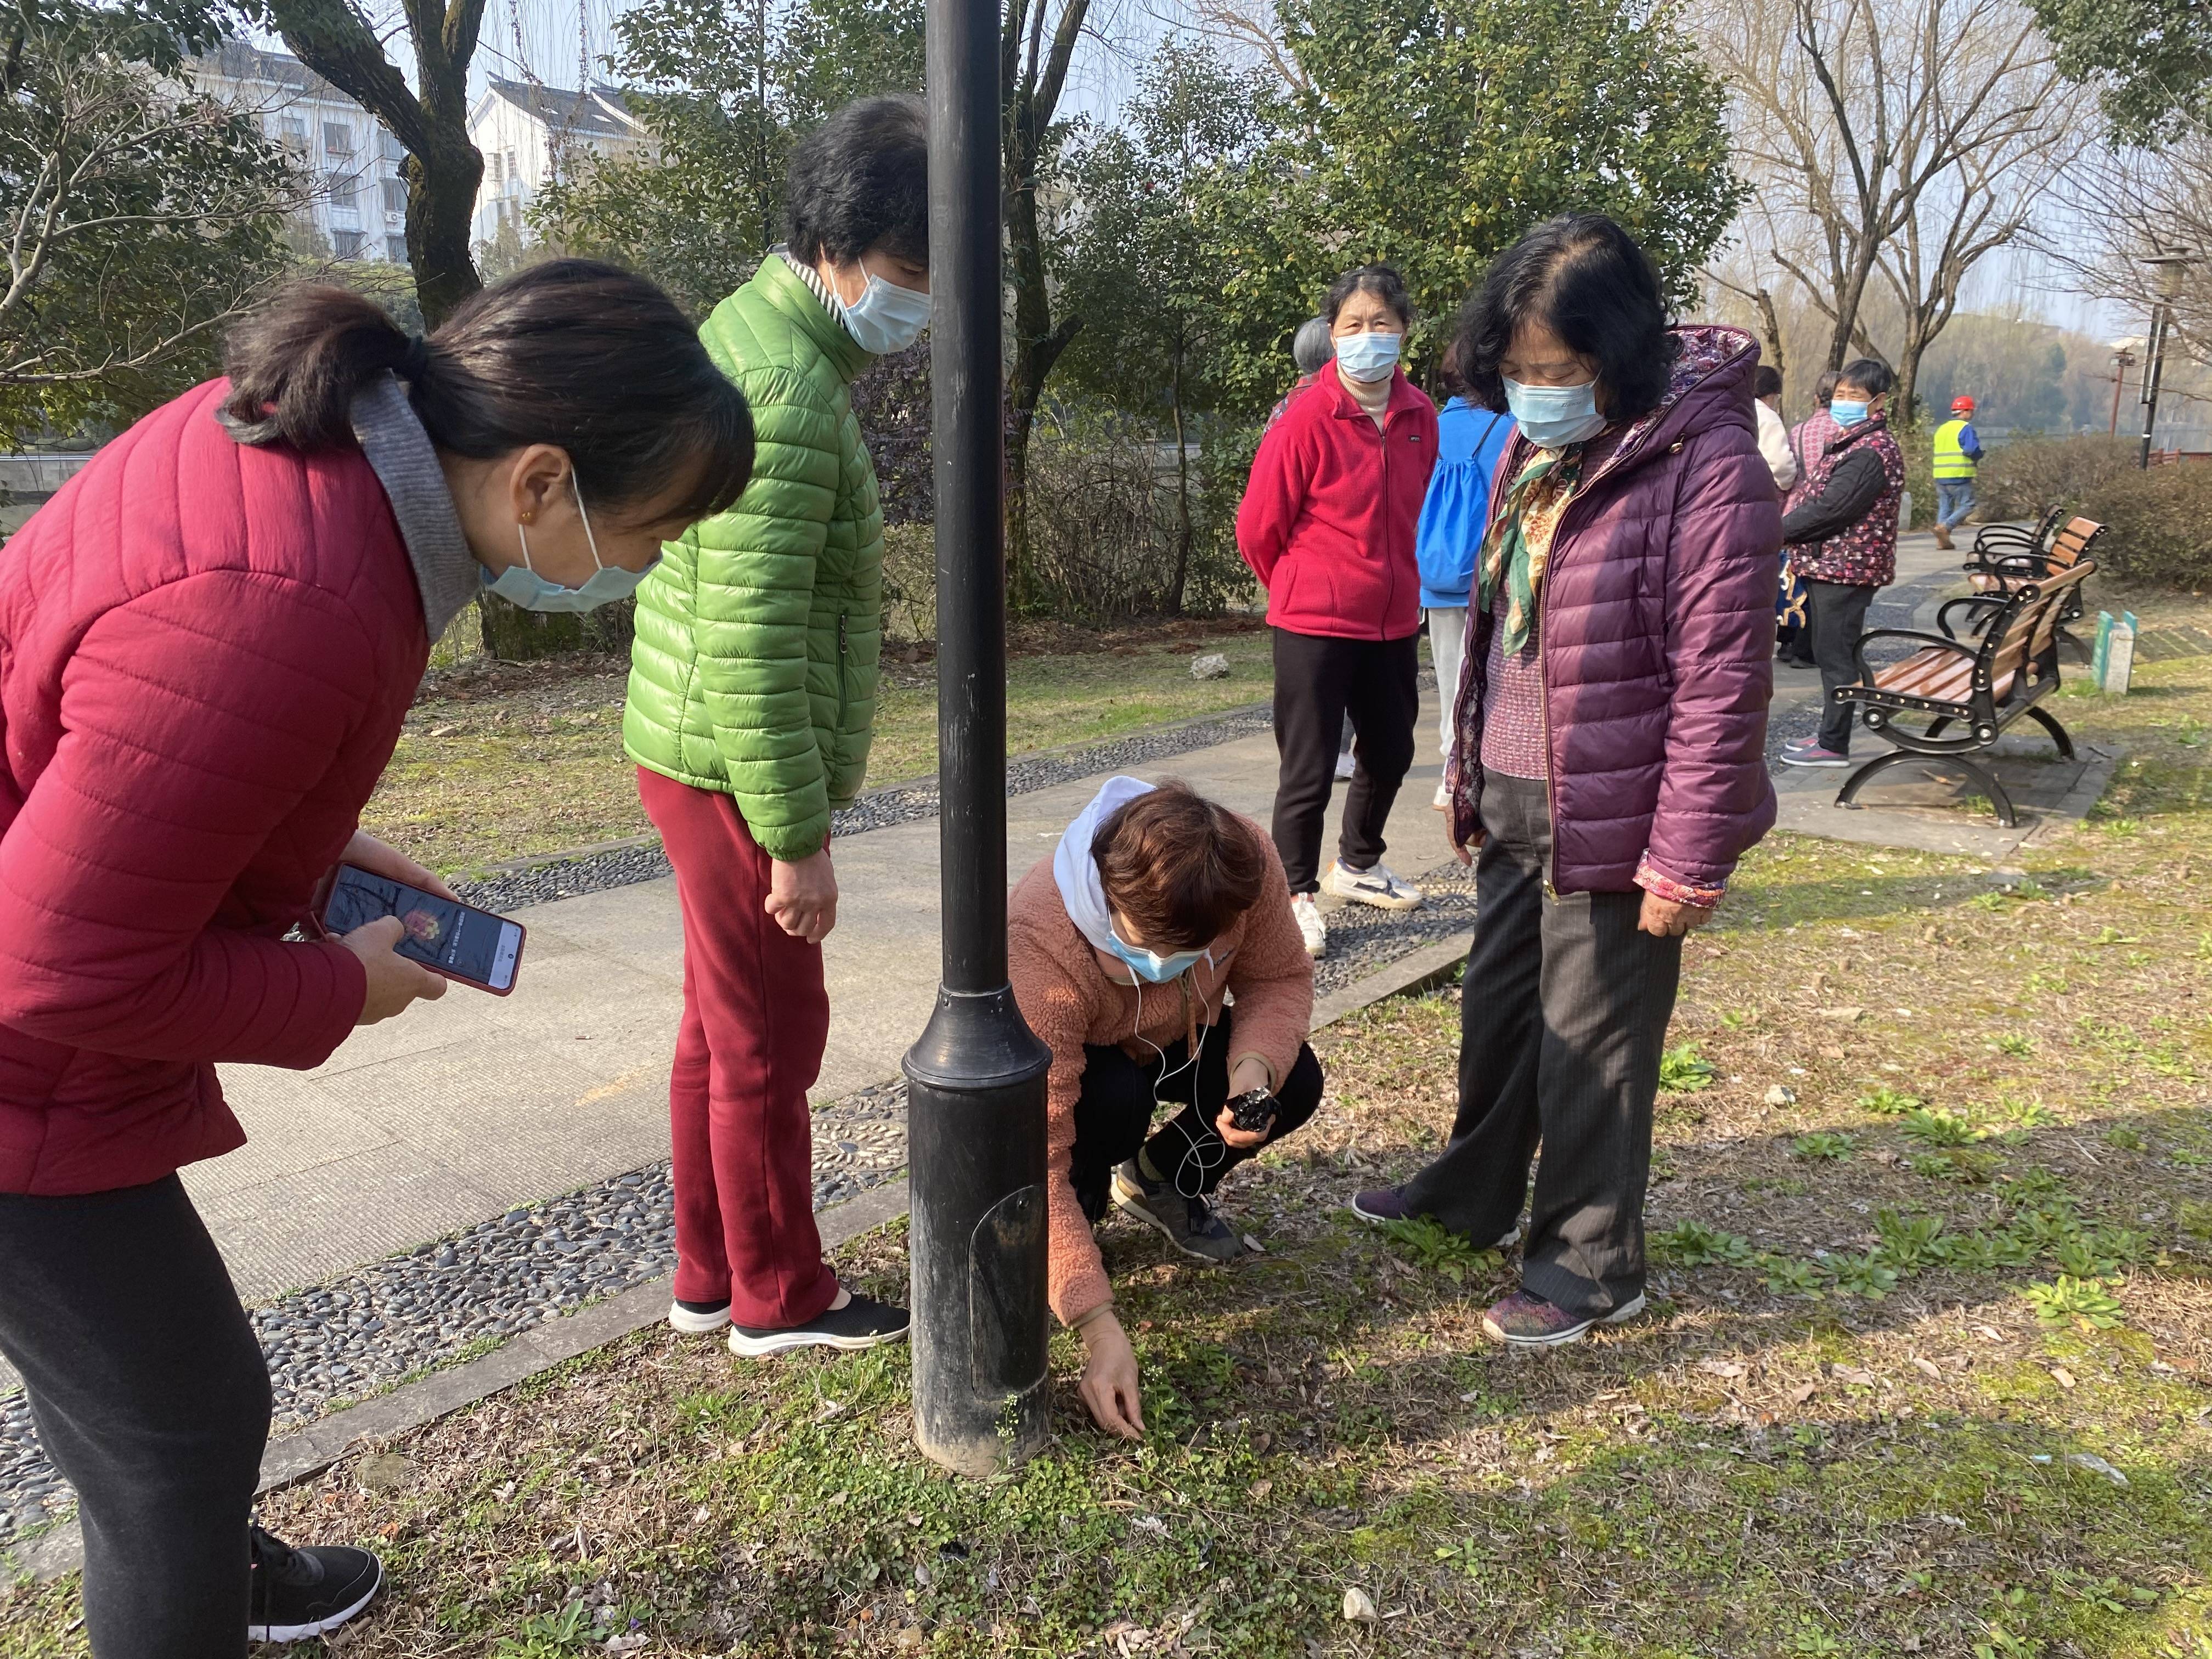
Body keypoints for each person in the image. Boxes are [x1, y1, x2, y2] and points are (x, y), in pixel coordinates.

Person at [0, 262, 753, 1652]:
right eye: (645, 535)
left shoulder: (319, 442)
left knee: (143, 1403)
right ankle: (190, 1592)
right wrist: (343, 987)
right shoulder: (295, 592)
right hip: (20, 1062)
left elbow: (143, 743)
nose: (638, 574)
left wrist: (313, 856)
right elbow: (52, 970)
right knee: (182, 1423)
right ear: (539, 483)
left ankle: (216, 1580)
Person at [1349, 214, 1779, 1348]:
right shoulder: (1529, 451)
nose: (1538, 390)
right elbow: (1495, 627)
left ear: (1620, 351)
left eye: (1564, 370)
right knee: (1498, 1014)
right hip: (1515, 786)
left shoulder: (1708, 462)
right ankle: (1470, 1194)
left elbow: (1724, 674)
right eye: (1521, 369)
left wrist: (1689, 854)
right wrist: (1463, 777)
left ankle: (1592, 1262)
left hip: (1623, 803)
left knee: (1593, 1040)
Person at [624, 95, 927, 1357]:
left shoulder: (760, 341)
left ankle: (711, 1274)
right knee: (768, 1042)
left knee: (719, 1028)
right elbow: (754, 642)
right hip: (733, 761)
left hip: (691, 746)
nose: (915, 304)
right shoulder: (786, 390)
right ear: (838, 252)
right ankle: (780, 1296)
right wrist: (796, 836)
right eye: (907, 275)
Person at [1008, 778, 1322, 1438]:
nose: (1158, 968)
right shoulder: (1039, 942)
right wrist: (1098, 1327)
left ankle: (1162, 1178)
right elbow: (1032, 1158)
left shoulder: (1245, 866)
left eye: (1189, 956)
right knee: (1111, 1104)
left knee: (1294, 1083)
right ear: (1104, 899)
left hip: (1185, 1037)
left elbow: (1278, 977)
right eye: (1136, 954)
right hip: (1093, 1068)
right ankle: (1088, 1213)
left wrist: (1251, 1075)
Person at [1237, 264, 1440, 960]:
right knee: (1310, 765)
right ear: (1333, 335)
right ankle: (1291, 895)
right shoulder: (1306, 416)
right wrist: (1301, 586)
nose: (1367, 337)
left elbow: (1416, 512)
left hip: (1393, 620)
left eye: (1380, 324)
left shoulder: (1421, 416)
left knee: (1391, 749)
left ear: (1403, 331)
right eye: (1352, 326)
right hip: (1313, 624)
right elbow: (1258, 527)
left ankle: (1358, 865)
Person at [1777, 358, 1906, 769]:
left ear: (1879, 400)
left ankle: (1833, 745)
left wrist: (1772, 530)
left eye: (1856, 396)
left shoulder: (1870, 450)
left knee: (1835, 656)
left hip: (1845, 569)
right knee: (1835, 652)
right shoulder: (1855, 439)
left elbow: (1832, 510)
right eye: (1841, 395)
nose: (1845, 402)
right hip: (1833, 566)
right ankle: (1831, 734)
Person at [1417, 338, 1518, 807]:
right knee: (1494, 675)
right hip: (1495, 573)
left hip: (1438, 573)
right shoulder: (1513, 428)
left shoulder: (1428, 428)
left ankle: (1449, 775)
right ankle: (1491, 770)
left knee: (1450, 676)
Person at [1932, 393, 1984, 550]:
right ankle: (1946, 527)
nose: (1972, 414)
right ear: (1965, 412)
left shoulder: (1942, 429)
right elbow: (1970, 449)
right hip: (1958, 474)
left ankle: (1942, 541)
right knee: (1969, 505)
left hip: (1940, 475)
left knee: (1945, 507)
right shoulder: (1965, 428)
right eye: (1971, 411)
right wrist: (1979, 455)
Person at [1753, 364, 1798, 492]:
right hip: (1754, 491)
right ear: (1771, 395)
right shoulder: (1767, 416)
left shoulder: (1732, 408)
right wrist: (1787, 482)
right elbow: (1781, 464)